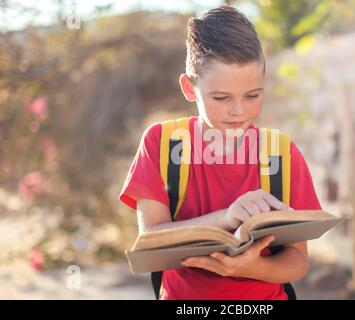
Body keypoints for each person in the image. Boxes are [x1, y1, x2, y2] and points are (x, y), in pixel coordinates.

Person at [119, 6, 322, 300]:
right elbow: (150, 239)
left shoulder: (281, 154)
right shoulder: (162, 143)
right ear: (190, 89)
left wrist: (251, 268)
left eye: (252, 95)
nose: (238, 110)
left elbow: (298, 260)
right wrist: (225, 217)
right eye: (221, 98)